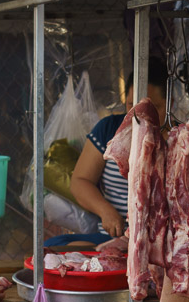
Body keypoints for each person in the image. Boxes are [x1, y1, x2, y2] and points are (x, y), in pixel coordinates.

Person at [70, 56, 169, 238]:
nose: (140, 115)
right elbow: (80, 181)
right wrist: (106, 211)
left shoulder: (181, 139)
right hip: (113, 237)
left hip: (161, 241)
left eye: (153, 107)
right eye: (132, 105)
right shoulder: (109, 129)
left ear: (169, 104)